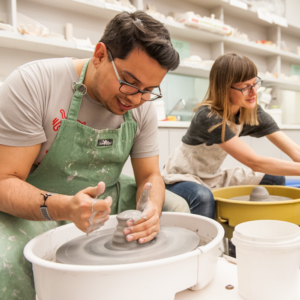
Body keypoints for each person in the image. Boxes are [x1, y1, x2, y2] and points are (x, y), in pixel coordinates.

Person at [0, 11, 188, 299]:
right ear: (100, 55)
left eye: (149, 90)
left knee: (178, 211)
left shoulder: (141, 107)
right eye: (129, 81)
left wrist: (150, 209)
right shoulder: (34, 84)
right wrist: (65, 207)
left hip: (105, 202)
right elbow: (5, 181)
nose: (136, 98)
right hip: (34, 208)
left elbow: (150, 175)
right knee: (6, 262)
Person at [162, 52, 300, 220]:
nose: (253, 92)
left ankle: (255, 233)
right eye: (245, 87)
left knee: (274, 179)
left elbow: (295, 151)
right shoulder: (207, 116)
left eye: (255, 83)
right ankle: (208, 244)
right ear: (224, 88)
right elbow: (254, 162)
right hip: (180, 178)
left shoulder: (251, 111)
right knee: (203, 196)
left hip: (214, 176)